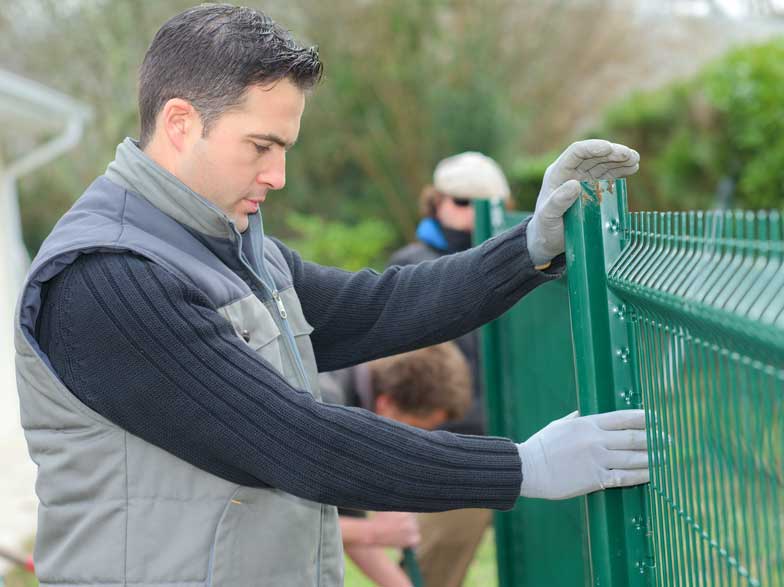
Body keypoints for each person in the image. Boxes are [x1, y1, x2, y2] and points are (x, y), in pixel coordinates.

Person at [14, 4, 648, 586]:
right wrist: (521, 468)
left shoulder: (237, 247)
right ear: (181, 123)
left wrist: (527, 247)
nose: (278, 176)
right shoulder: (106, 276)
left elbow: (375, 308)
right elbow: (297, 443)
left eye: (284, 149)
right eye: (261, 147)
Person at [388, 151, 511, 587]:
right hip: (450, 452)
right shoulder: (413, 267)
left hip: (508, 443)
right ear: (435, 201)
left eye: (484, 206)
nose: (468, 216)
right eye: (460, 202)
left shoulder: (512, 268)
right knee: (431, 574)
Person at [326, 342, 472, 587]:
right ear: (387, 404)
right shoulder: (325, 405)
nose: (412, 447)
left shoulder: (355, 401)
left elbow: (340, 519)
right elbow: (288, 520)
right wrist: (376, 532)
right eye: (413, 431)